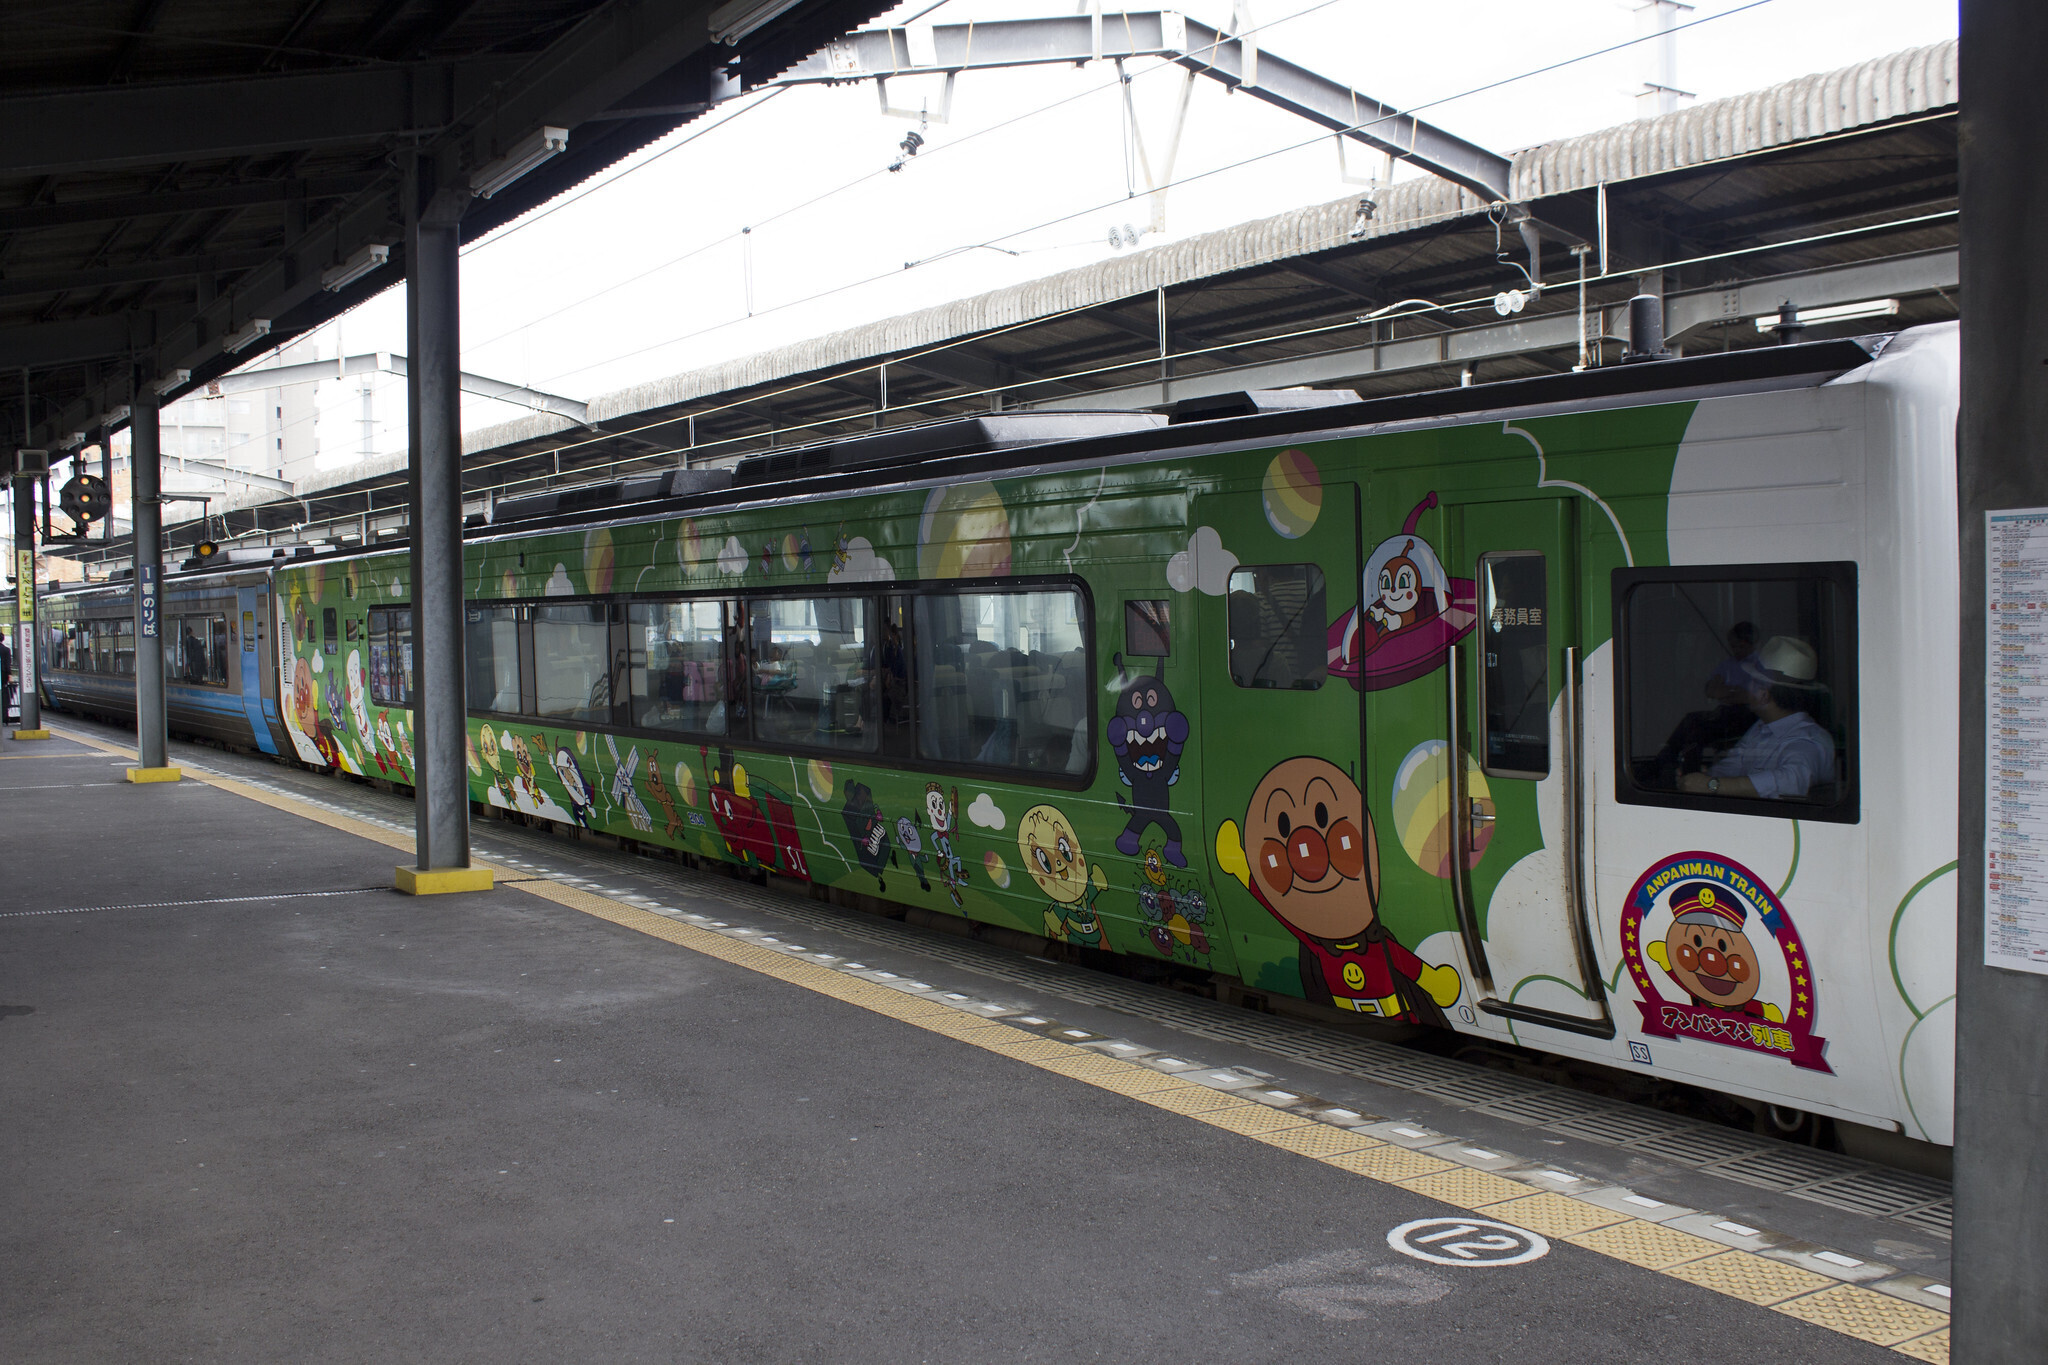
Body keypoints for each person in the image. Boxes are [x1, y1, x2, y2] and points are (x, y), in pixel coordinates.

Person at [1680, 635, 1835, 800]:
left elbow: (1791, 781)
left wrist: (1712, 785)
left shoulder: (1808, 740)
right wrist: (1701, 779)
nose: (1746, 687)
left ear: (1763, 695)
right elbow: (1733, 765)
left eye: (1751, 681)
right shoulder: (1761, 728)